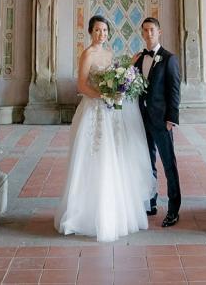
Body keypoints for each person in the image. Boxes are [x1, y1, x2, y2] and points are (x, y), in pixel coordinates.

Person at [55, 15, 153, 242]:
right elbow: (81, 85)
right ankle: (84, 214)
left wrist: (119, 86)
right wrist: (103, 96)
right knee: (92, 156)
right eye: (97, 30)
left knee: (113, 156)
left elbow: (115, 78)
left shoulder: (110, 54)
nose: (101, 34)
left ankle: (115, 212)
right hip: (94, 109)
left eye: (105, 31)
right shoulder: (88, 54)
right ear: (90, 32)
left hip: (110, 112)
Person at [133, 17, 182, 227]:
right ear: (142, 33)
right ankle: (150, 201)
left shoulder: (169, 58)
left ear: (159, 32)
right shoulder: (138, 59)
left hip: (162, 120)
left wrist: (172, 118)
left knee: (168, 163)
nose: (149, 33)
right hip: (141, 119)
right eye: (145, 30)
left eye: (152, 30)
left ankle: (173, 209)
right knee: (147, 162)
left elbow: (174, 91)